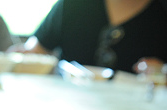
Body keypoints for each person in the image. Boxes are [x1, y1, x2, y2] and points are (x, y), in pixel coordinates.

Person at [12, 0, 167, 73]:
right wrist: (21, 57)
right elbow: (36, 50)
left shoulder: (161, 13)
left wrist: (162, 72)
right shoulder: (74, 4)